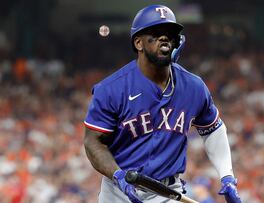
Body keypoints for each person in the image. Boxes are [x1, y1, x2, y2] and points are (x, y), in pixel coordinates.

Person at [83, 4, 242, 203]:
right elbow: (93, 142)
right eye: (156, 33)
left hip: (167, 192)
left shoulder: (194, 87)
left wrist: (227, 176)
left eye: (169, 33)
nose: (165, 38)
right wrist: (117, 174)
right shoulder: (111, 89)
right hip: (119, 191)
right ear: (139, 43)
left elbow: (213, 129)